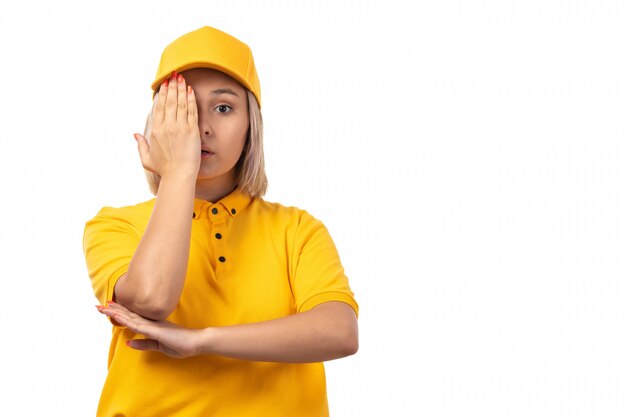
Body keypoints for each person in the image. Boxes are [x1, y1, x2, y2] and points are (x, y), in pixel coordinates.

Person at [83, 26, 359, 417]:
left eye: (224, 107)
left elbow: (340, 333)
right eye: (184, 109)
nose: (202, 127)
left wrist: (202, 340)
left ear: (251, 126)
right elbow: (151, 300)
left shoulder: (297, 229)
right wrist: (179, 173)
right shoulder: (114, 226)